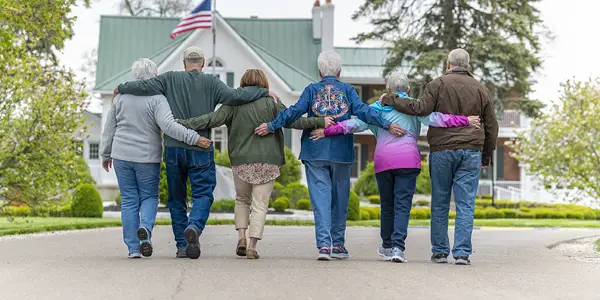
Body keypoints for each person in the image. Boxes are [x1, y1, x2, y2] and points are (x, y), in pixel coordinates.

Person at [113, 46, 274, 259]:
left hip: (174, 148)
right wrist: (263, 91)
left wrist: (121, 87)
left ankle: (182, 245)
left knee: (176, 198)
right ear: (203, 62)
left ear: (184, 63)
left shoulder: (169, 79)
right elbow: (237, 95)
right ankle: (195, 227)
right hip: (201, 146)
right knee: (203, 194)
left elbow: (143, 86)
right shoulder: (213, 83)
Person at [310, 72, 480, 263]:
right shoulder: (414, 107)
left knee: (387, 206)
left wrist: (326, 131)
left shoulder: (376, 108)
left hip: (384, 162)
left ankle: (388, 246)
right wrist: (465, 120)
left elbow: (352, 125)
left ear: (387, 90)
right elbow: (438, 119)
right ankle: (398, 248)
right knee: (402, 206)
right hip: (408, 162)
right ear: (408, 89)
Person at [254, 50, 405, 261]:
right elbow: (364, 112)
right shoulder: (348, 90)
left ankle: (324, 246)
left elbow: (293, 113)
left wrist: (271, 126)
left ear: (319, 71)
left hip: (315, 151)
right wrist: (388, 124)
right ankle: (338, 245)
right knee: (340, 201)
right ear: (340, 72)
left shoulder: (311, 90)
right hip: (341, 152)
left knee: (320, 200)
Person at [177, 69, 333, 259]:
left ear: (243, 83)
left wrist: (184, 123)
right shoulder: (272, 102)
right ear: (263, 84)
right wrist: (320, 121)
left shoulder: (234, 103)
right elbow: (294, 121)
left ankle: (241, 237)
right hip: (268, 160)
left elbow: (211, 119)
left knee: (242, 200)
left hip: (241, 160)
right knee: (260, 204)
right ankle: (252, 246)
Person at [381, 49, 499, 265]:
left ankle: (440, 252)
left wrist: (392, 99)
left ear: (448, 64)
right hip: (471, 150)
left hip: (442, 150)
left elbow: (419, 108)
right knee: (466, 204)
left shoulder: (436, 85)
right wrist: (486, 154)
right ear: (468, 65)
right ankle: (462, 253)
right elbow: (491, 125)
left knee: (441, 201)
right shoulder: (481, 89)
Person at [100, 58, 212, 259]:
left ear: (135, 75)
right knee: (149, 197)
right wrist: (194, 138)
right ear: (154, 75)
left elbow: (109, 128)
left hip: (121, 156)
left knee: (128, 201)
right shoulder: (157, 98)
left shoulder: (120, 98)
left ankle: (134, 248)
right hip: (146, 157)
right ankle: (145, 230)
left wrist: (105, 154)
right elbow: (169, 126)